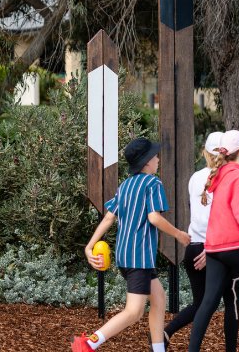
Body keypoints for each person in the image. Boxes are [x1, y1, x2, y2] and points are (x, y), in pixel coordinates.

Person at [162, 132, 239, 351]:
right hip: (237, 249)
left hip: (214, 251)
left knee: (208, 303)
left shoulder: (218, 177)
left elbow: (230, 214)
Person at [73, 137, 192, 352]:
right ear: (147, 162)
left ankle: (158, 349)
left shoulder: (125, 185)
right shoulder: (153, 183)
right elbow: (154, 218)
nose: (158, 159)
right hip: (139, 257)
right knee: (134, 312)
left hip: (125, 256)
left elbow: (109, 217)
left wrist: (89, 246)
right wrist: (179, 235)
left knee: (158, 299)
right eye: (155, 156)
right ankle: (90, 343)